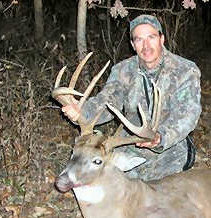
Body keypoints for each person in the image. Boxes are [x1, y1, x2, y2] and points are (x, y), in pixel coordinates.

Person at [61, 14, 202, 181]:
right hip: (130, 144)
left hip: (169, 147)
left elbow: (188, 115)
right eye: (139, 39)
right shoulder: (123, 70)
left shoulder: (185, 70)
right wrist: (82, 112)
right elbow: (108, 103)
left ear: (162, 39)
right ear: (132, 44)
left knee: (157, 193)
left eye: (151, 37)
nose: (146, 45)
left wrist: (160, 137)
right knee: (105, 182)